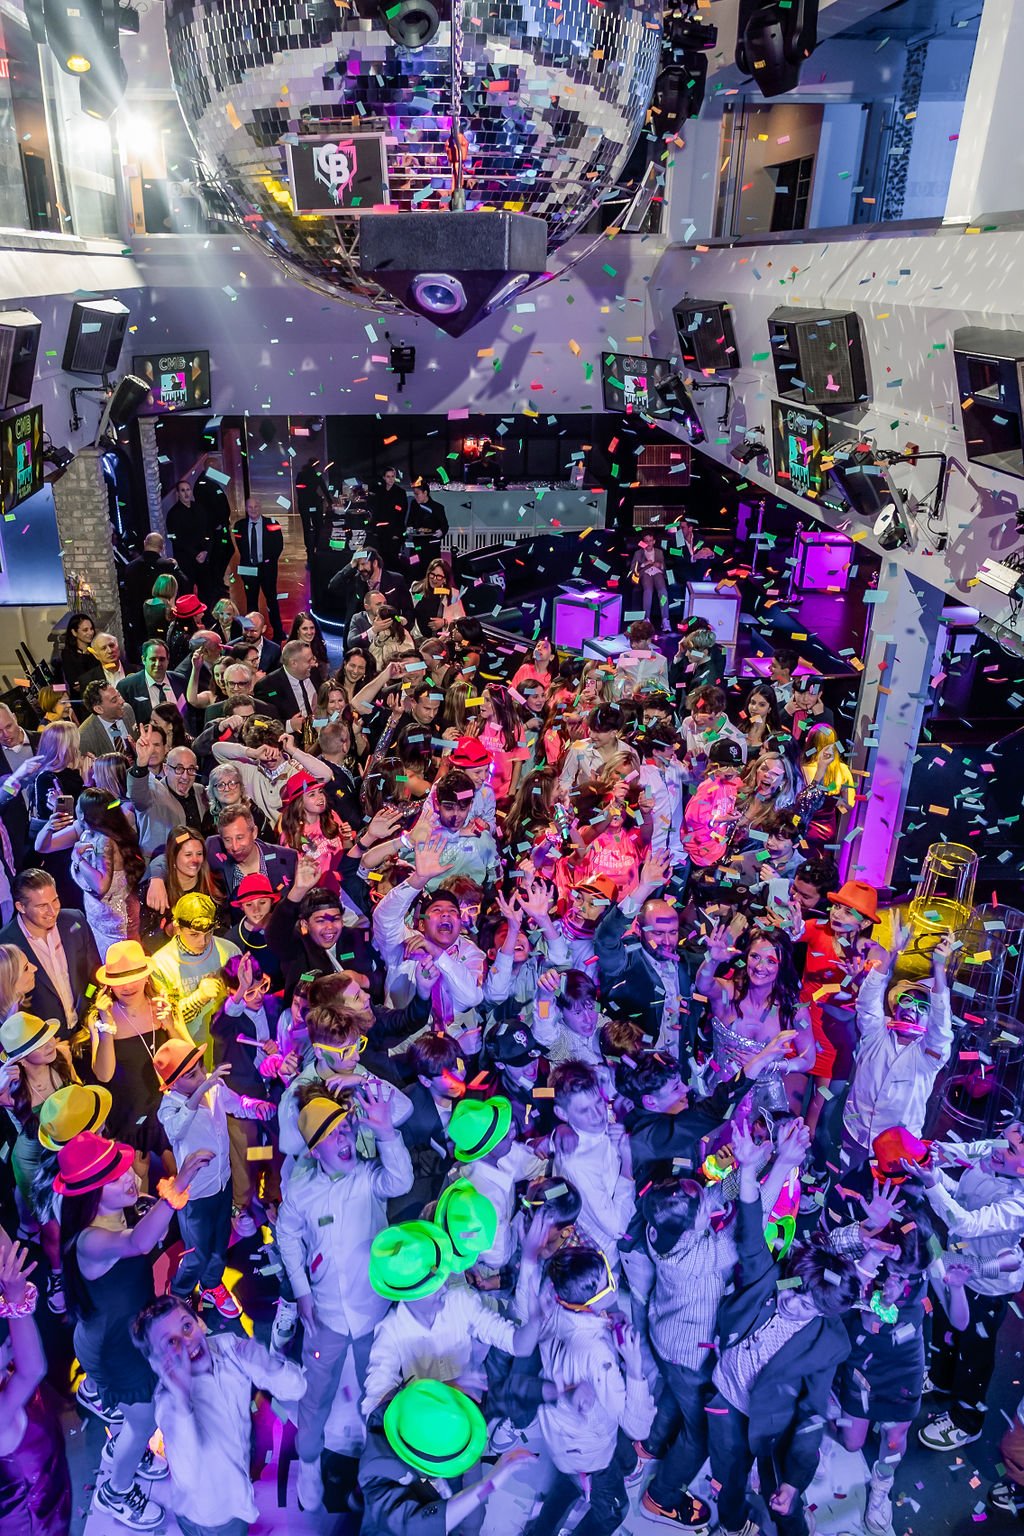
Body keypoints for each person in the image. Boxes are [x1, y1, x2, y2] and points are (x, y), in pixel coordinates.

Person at [58, 1130, 213, 1530]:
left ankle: (129, 1446)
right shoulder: (89, 1239)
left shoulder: (118, 1212)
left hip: (127, 1334)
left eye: (125, 1167)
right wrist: (176, 1189)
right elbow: (141, 1243)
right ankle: (117, 1490)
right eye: (116, 1176)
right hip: (113, 1347)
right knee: (143, 1421)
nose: (130, 1176)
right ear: (91, 1193)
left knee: (141, 1416)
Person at [277, 1085, 414, 1510]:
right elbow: (286, 1235)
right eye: (334, 1136)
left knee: (383, 1393)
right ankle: (311, 1466)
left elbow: (401, 1179)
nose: (346, 1141)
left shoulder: (368, 1176)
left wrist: (388, 1133)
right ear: (315, 1151)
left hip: (375, 1311)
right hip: (328, 1319)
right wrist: (301, 1291)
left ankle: (382, 1473)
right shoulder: (301, 1190)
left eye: (346, 1130)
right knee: (314, 1397)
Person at [130, 1293, 305, 1536]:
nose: (187, 1342)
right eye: (171, 1342)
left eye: (187, 1326)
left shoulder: (229, 1348)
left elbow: (296, 1387)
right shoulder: (169, 1404)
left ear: (199, 1322)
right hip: (211, 1517)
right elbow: (189, 1477)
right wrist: (182, 1400)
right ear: (157, 1362)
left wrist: (268, 1364)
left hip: (239, 1485)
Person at [154, 1039, 274, 1318]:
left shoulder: (212, 1085)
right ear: (172, 1083)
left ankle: (211, 1285)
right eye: (191, 1074)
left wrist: (255, 1106)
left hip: (223, 1182)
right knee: (196, 1254)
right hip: (195, 1194)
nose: (200, 1074)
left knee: (219, 1245)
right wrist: (201, 1091)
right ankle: (180, 1293)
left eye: (199, 1067)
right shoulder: (169, 1107)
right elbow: (177, 1130)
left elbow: (237, 1104)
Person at [0, 868, 100, 1045]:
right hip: (43, 1047)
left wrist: (87, 1004)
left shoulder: (74, 921)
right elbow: (9, 1004)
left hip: (87, 1034)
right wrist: (42, 1042)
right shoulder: (6, 945)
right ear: (20, 907)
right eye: (41, 906)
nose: (52, 911)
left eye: (55, 900)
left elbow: (94, 975)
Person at [231, 499, 285, 639]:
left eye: (256, 506)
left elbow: (278, 546)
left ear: (260, 507)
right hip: (248, 570)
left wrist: (268, 561)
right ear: (246, 508)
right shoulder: (239, 525)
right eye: (250, 507)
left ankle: (278, 632)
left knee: (272, 600)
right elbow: (241, 547)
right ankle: (252, 632)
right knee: (251, 601)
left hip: (267, 569)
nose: (253, 509)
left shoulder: (272, 524)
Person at [117, 640, 187, 727]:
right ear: (143, 660)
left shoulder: (179, 680)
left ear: (168, 660)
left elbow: (188, 714)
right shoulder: (127, 686)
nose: (158, 664)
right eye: (153, 659)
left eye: (162, 659)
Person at [165, 478, 209, 596]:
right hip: (185, 560)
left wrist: (205, 551)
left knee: (206, 590)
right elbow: (174, 538)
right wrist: (195, 554)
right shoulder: (173, 514)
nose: (186, 493)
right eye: (183, 490)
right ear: (178, 494)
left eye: (188, 490)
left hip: (203, 556)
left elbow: (207, 531)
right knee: (187, 591)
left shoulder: (199, 508)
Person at [79, 680, 137, 758]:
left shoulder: (127, 709)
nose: (122, 701)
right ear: (99, 709)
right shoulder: (85, 737)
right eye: (114, 700)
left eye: (119, 695)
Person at [629, 533, 670, 630]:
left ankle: (665, 619)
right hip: (645, 573)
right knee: (648, 591)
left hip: (657, 573)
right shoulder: (638, 553)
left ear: (654, 541)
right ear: (643, 542)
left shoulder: (659, 552)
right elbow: (633, 569)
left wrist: (660, 565)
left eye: (651, 541)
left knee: (663, 591)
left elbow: (664, 566)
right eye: (646, 541)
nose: (649, 543)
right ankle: (646, 618)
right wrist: (644, 564)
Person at [404, 481, 449, 570]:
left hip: (431, 546)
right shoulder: (414, 504)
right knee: (414, 568)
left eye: (417, 494)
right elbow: (410, 521)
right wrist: (409, 528)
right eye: (414, 494)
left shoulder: (437, 507)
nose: (416, 497)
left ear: (425, 493)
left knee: (430, 570)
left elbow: (445, 526)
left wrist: (441, 532)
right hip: (416, 544)